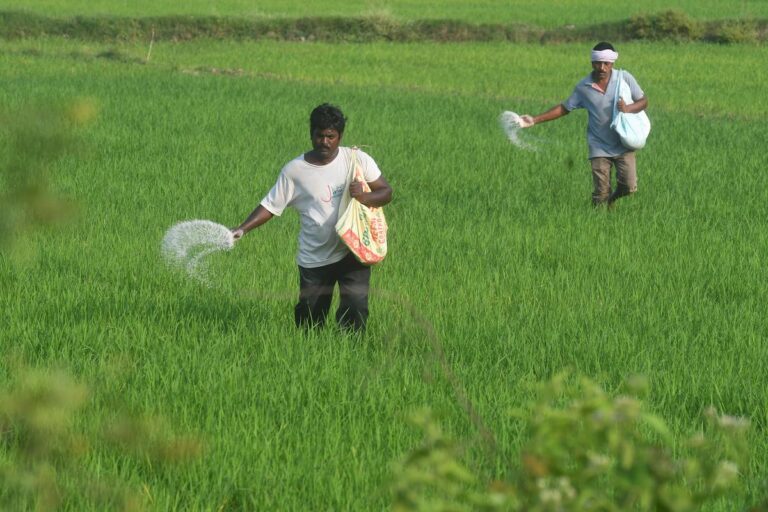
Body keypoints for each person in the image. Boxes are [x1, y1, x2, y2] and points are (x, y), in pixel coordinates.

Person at [231, 103, 393, 332]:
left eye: (330, 136)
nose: (324, 142)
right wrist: (242, 229)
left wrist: (365, 196)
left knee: (356, 309)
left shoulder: (357, 160)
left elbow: (386, 192)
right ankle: (308, 351)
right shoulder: (295, 170)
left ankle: (350, 354)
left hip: (353, 250)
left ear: (340, 136)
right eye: (319, 135)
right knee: (309, 318)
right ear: (311, 134)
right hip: (315, 257)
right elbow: (270, 205)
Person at [519, 42, 649, 206]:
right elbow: (564, 108)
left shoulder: (624, 78)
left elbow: (643, 101)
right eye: (597, 63)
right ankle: (598, 222)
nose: (602, 67)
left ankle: (612, 201)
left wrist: (627, 108)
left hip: (623, 142)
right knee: (601, 192)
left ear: (612, 63)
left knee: (628, 187)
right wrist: (534, 120)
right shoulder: (583, 87)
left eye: (606, 64)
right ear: (592, 62)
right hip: (598, 145)